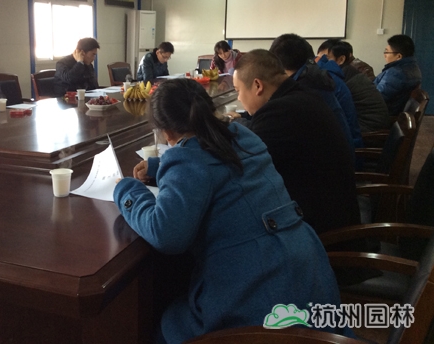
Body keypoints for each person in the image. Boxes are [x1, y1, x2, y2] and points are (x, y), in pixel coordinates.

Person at [114, 78, 349, 343]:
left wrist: (127, 191)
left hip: (258, 291)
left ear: (166, 133)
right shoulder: (243, 135)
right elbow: (218, 165)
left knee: (165, 326)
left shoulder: (187, 160)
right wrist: (161, 167)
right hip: (307, 272)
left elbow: (165, 233)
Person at [231, 50, 361, 236]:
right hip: (334, 210)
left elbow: (242, 158)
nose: (238, 98)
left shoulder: (281, 112)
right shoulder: (302, 95)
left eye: (238, 91)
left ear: (258, 85)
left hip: (318, 232)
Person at [269, 33, 358, 150]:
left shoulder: (304, 88)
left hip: (337, 155)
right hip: (345, 150)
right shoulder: (316, 77)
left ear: (277, 65)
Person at [317, 40, 390, 132]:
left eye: (325, 58)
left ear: (341, 59)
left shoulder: (341, 77)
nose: (320, 63)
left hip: (368, 128)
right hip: (368, 123)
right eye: (318, 58)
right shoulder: (348, 71)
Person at [374, 34, 422, 116]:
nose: (384, 55)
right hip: (392, 111)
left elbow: (377, 98)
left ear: (398, 56)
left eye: (387, 52)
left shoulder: (396, 73)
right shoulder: (413, 67)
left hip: (382, 114)